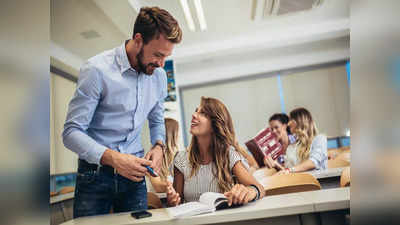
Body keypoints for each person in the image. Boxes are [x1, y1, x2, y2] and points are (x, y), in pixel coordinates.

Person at [62, 7, 182, 218]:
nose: (162, 64)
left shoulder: (159, 76)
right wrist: (115, 159)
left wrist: (159, 145)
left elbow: (156, 120)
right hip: (94, 176)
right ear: (138, 39)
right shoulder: (96, 70)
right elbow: (71, 133)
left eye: (166, 56)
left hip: (135, 179)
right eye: (157, 54)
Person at [166, 97, 265, 207]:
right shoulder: (181, 159)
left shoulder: (229, 156)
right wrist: (172, 201)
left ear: (215, 124)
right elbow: (176, 203)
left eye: (202, 113)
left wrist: (250, 191)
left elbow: (259, 188)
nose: (194, 115)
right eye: (196, 111)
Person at [274, 107, 328, 174]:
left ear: (299, 121)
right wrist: (275, 164)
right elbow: (288, 169)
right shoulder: (292, 145)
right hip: (299, 181)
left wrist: (289, 170)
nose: (288, 124)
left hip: (318, 181)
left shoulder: (319, 139)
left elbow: (313, 162)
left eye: (290, 120)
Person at [147, 118, 180, 193]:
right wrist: (181, 185)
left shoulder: (178, 157)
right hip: (160, 202)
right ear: (173, 136)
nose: (179, 136)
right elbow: (158, 186)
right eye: (178, 133)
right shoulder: (153, 158)